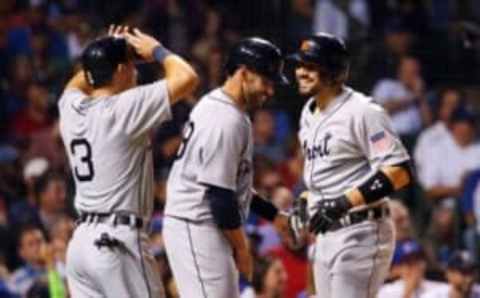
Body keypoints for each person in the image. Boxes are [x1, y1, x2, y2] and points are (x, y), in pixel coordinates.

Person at [58, 25, 199, 298]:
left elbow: (78, 82)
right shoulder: (124, 108)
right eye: (131, 66)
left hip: (81, 247)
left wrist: (102, 52)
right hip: (118, 243)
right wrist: (155, 50)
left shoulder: (70, 107)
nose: (135, 72)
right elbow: (187, 77)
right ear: (121, 70)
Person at [163, 37, 292, 298]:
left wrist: (273, 215)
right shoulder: (225, 119)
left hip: (203, 226)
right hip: (196, 225)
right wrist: (242, 250)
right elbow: (220, 196)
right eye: (266, 81)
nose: (270, 91)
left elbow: (232, 186)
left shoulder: (229, 110)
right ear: (243, 73)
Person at [288, 33, 413, 298]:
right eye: (300, 65)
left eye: (310, 66)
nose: (300, 72)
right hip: (325, 234)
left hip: (361, 232)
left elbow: (399, 171)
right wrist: (306, 198)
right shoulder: (308, 111)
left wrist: (343, 202)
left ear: (333, 71)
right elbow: (329, 173)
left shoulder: (363, 111)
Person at [377, 239, 447, 298]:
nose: (416, 267)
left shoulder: (440, 289)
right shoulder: (386, 292)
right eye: (409, 263)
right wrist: (408, 292)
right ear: (397, 268)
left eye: (418, 260)